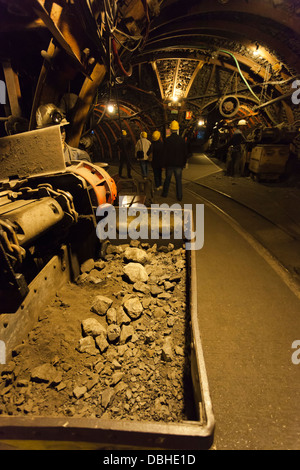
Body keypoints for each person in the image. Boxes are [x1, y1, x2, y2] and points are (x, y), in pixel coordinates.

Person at [161, 120, 188, 201]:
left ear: (171, 129)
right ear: (177, 129)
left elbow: (164, 154)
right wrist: (184, 163)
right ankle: (179, 196)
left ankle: (165, 194)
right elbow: (185, 153)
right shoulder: (182, 140)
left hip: (169, 164)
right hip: (179, 164)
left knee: (167, 179)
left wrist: (163, 165)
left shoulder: (167, 140)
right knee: (178, 181)